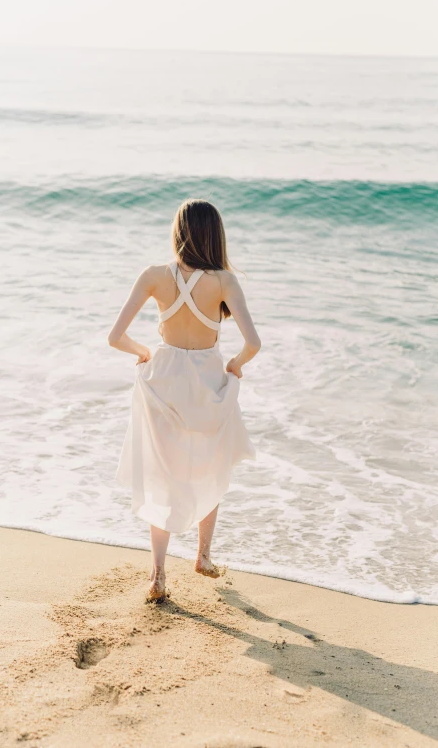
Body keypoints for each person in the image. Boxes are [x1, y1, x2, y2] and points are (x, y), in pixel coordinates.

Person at [108, 199, 261, 602]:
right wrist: (235, 365)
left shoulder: (154, 275)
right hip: (208, 378)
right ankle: (204, 556)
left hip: (164, 378)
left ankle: (158, 576)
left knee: (162, 472)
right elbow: (253, 344)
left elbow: (115, 337)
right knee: (210, 465)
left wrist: (144, 353)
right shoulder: (226, 281)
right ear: (216, 235)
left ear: (178, 231)